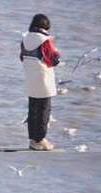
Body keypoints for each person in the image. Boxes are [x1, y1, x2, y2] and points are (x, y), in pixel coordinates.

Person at [20, 14, 60, 151]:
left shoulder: (25, 39)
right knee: (44, 111)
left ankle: (33, 140)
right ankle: (41, 140)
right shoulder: (46, 40)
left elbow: (22, 57)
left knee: (32, 110)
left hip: (30, 78)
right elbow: (54, 60)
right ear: (46, 26)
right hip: (44, 79)